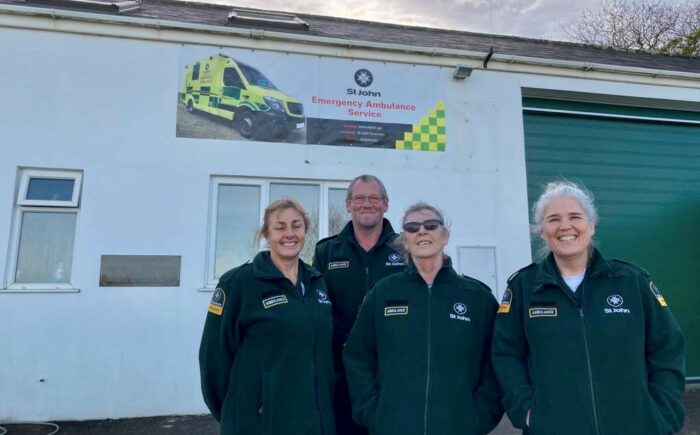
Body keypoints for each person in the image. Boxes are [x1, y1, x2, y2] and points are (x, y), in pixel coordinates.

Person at [492, 181, 686, 435]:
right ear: (541, 231)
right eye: (553, 219)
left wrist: (662, 412)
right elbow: (506, 355)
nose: (565, 226)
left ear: (591, 225)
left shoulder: (631, 282)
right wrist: (527, 411)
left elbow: (667, 348)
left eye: (575, 216)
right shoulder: (523, 288)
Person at [343, 202, 504, 435]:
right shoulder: (383, 294)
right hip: (393, 427)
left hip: (459, 427)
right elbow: (358, 356)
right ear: (405, 241)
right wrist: (374, 413)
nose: (421, 231)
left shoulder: (477, 297)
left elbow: (497, 360)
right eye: (412, 227)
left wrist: (478, 416)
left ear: (445, 236)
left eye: (431, 225)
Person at [199, 198, 335, 435]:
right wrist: (238, 410)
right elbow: (213, 358)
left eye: (296, 226)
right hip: (261, 424)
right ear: (266, 233)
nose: (289, 234)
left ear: (306, 231)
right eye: (280, 227)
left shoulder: (317, 282)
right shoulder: (239, 283)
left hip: (314, 421)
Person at [313, 174, 406, 435]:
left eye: (374, 198)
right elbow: (318, 309)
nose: (367, 204)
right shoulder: (327, 252)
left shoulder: (404, 249)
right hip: (341, 374)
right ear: (348, 204)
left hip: (392, 371)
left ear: (385, 204)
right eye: (359, 198)